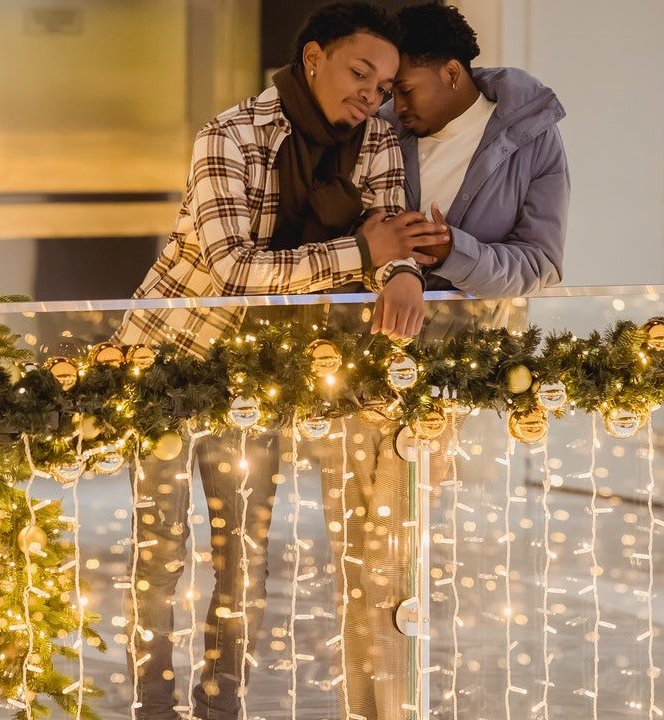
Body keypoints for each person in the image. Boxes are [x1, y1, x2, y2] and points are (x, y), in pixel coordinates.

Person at [112, 3, 453, 718]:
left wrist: (403, 276)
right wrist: (365, 254)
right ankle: (150, 702)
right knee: (160, 553)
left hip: (263, 374)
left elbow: (397, 238)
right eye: (361, 71)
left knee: (243, 557)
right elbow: (233, 267)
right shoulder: (228, 137)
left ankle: (220, 704)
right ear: (312, 60)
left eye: (385, 83)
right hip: (170, 361)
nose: (372, 93)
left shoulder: (379, 145)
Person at [319, 3, 571, 718]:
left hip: (459, 374)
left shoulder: (532, 137)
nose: (392, 103)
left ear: (455, 73)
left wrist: (452, 252)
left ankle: (419, 702)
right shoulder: (376, 130)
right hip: (363, 361)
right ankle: (374, 707)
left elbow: (541, 262)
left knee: (418, 549)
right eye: (387, 88)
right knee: (365, 550)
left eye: (407, 88)